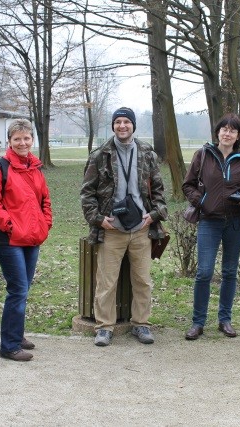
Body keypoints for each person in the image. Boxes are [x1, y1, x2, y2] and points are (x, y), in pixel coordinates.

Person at [80, 107, 168, 347]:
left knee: (143, 280)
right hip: (111, 229)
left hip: (141, 228)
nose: (122, 126)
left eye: (126, 122)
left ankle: (142, 325)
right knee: (106, 282)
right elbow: (86, 193)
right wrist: (99, 219)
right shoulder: (100, 155)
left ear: (133, 125)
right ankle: (104, 328)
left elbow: (159, 191)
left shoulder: (147, 153)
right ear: (113, 126)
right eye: (117, 122)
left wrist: (153, 215)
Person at [182, 113, 240, 340]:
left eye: (232, 130)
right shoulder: (203, 155)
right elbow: (188, 185)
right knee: (204, 272)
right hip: (209, 221)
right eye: (223, 129)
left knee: (229, 272)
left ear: (238, 136)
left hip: (236, 221)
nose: (227, 133)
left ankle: (225, 319)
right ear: (217, 133)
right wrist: (202, 202)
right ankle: (198, 322)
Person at [0, 119, 53, 362]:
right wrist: (11, 226)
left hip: (32, 238)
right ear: (9, 141)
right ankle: (10, 345)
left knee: (23, 289)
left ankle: (17, 333)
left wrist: (45, 225)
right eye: (17, 139)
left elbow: (45, 200)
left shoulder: (35, 168)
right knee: (18, 289)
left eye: (26, 138)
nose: (22, 143)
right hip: (9, 240)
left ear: (32, 140)